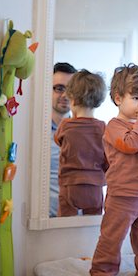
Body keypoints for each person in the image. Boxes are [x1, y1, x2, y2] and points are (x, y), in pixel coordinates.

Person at [90, 63, 138, 276]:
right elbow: (130, 145)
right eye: (136, 98)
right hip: (122, 195)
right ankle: (102, 270)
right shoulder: (114, 126)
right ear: (118, 98)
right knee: (112, 236)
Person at [54, 69, 108, 216]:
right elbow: (108, 157)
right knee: (92, 223)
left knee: (64, 224)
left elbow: (57, 140)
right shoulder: (103, 127)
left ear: (72, 99)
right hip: (95, 185)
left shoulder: (65, 125)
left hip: (69, 183)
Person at [50, 62, 77, 217]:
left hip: (77, 221)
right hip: (43, 221)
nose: (66, 95)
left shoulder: (87, 133)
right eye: (59, 88)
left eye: (71, 90)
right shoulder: (35, 133)